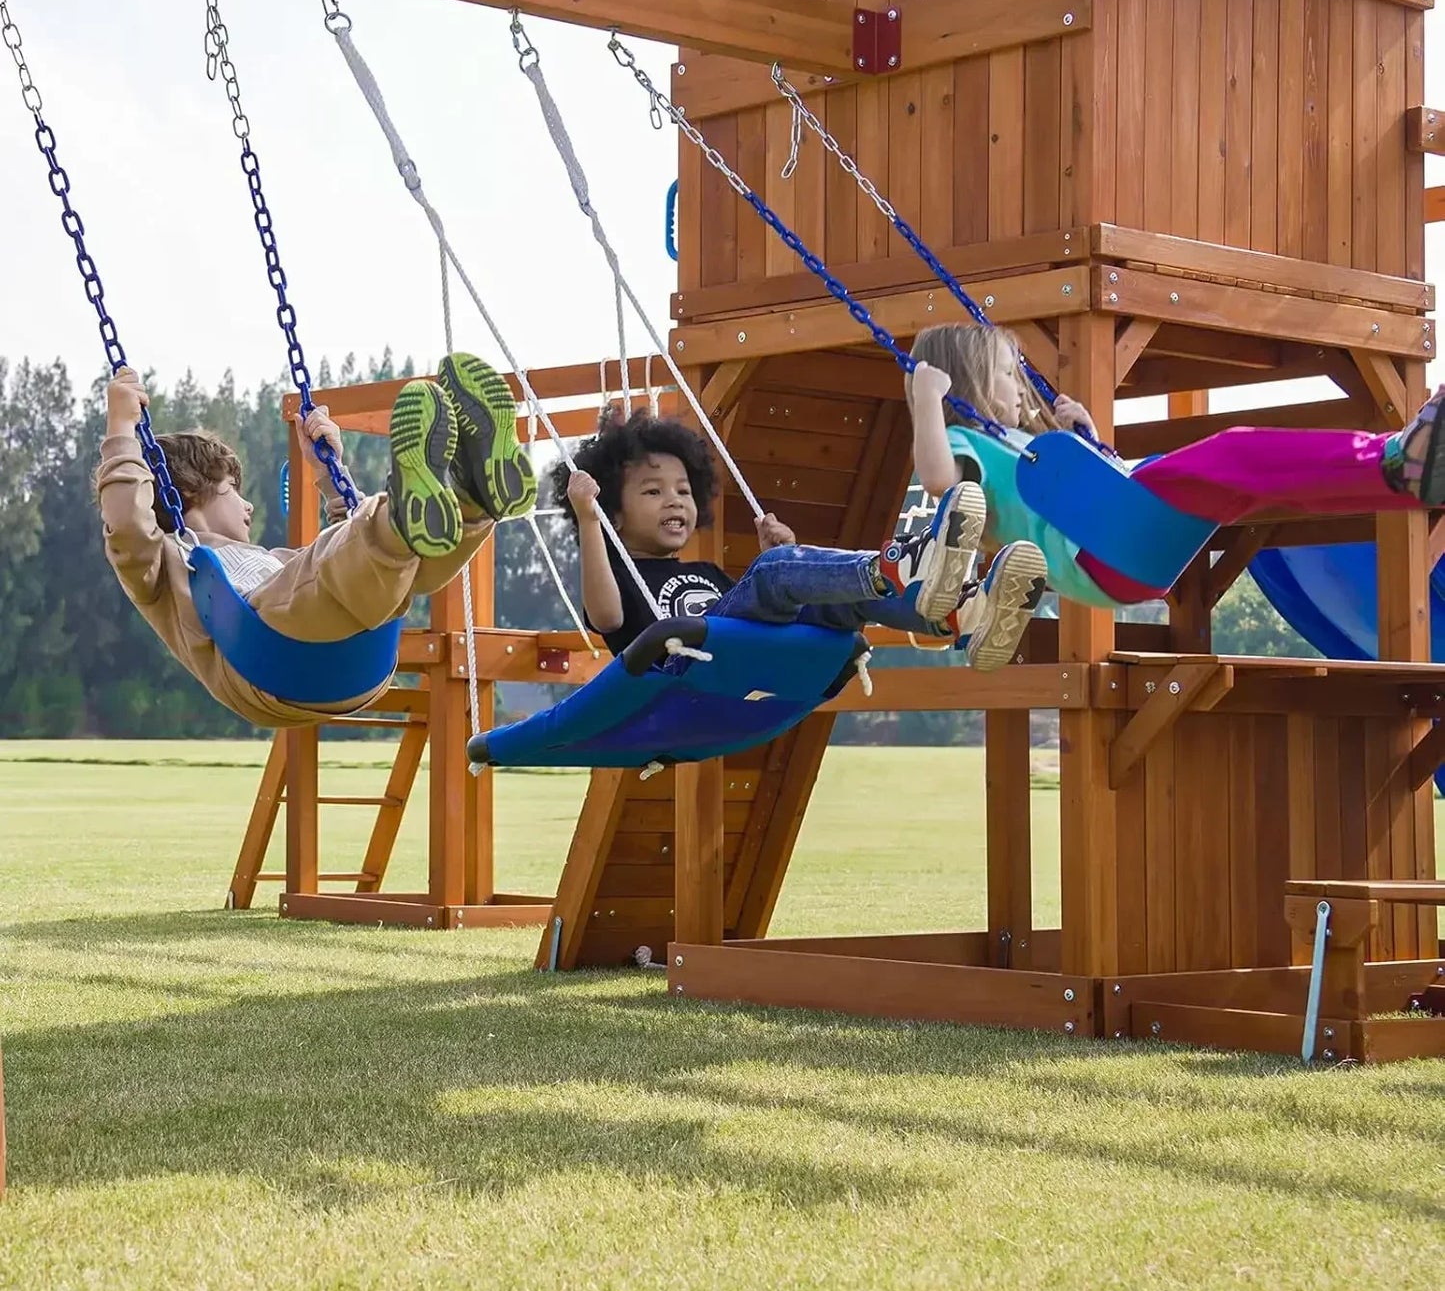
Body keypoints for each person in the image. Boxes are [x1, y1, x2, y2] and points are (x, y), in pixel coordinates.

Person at [96, 352, 535, 727]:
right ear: (186, 494)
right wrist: (121, 429)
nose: (248, 507)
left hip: (358, 657)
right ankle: (402, 514)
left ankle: (474, 500)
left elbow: (340, 553)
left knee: (400, 561)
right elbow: (128, 528)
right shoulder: (167, 566)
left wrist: (330, 473)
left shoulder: (276, 562)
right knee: (337, 565)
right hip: (271, 667)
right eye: (233, 490)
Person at [906, 321, 1445, 606]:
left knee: (1252, 481)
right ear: (967, 382)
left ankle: (1406, 479)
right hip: (1103, 550)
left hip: (1124, 556)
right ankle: (1394, 461)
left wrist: (1087, 440)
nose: (1019, 383)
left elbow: (1090, 484)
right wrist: (926, 401)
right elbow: (935, 479)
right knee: (1234, 453)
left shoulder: (1020, 444)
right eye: (1006, 372)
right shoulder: (964, 441)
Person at [551, 411, 1048, 673]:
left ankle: (959, 616)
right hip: (691, 673)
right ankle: (900, 567)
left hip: (753, 652)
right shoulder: (618, 576)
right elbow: (606, 620)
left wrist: (777, 564)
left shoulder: (702, 574)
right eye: (653, 492)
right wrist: (588, 519)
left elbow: (752, 606)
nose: (675, 502)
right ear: (614, 511)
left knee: (841, 605)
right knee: (774, 572)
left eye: (683, 491)